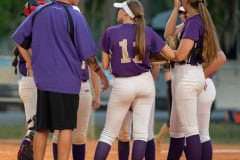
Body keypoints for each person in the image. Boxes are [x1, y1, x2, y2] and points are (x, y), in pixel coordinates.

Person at [11, 0, 109, 160]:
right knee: (65, 128)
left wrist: (29, 61)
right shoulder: (74, 16)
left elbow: (19, 39)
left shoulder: (40, 12)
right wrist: (102, 76)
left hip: (43, 82)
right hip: (67, 83)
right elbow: (89, 55)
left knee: (41, 128)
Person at [94, 0, 175, 160]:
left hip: (123, 83)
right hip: (145, 82)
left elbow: (104, 64)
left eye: (120, 9)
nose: (118, 12)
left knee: (109, 134)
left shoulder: (111, 31)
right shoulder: (148, 32)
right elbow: (172, 55)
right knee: (141, 134)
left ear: (126, 13)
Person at [166, 0, 221, 159]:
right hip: (187, 75)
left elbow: (180, 55)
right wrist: (176, 8)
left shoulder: (193, 22)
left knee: (191, 130)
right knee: (176, 131)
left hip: (187, 75)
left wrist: (161, 50)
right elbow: (168, 34)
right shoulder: (193, 20)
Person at [11, 1, 52, 159]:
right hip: (33, 83)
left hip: (30, 83)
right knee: (35, 129)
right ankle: (26, 152)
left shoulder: (31, 30)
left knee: (36, 127)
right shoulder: (35, 31)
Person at [155, 6, 187, 152]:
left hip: (184, 81)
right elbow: (167, 67)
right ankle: (159, 138)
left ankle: (162, 139)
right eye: (181, 13)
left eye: (183, 12)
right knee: (173, 120)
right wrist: (170, 84)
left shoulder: (187, 36)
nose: (182, 15)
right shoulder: (172, 43)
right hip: (174, 83)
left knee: (180, 120)